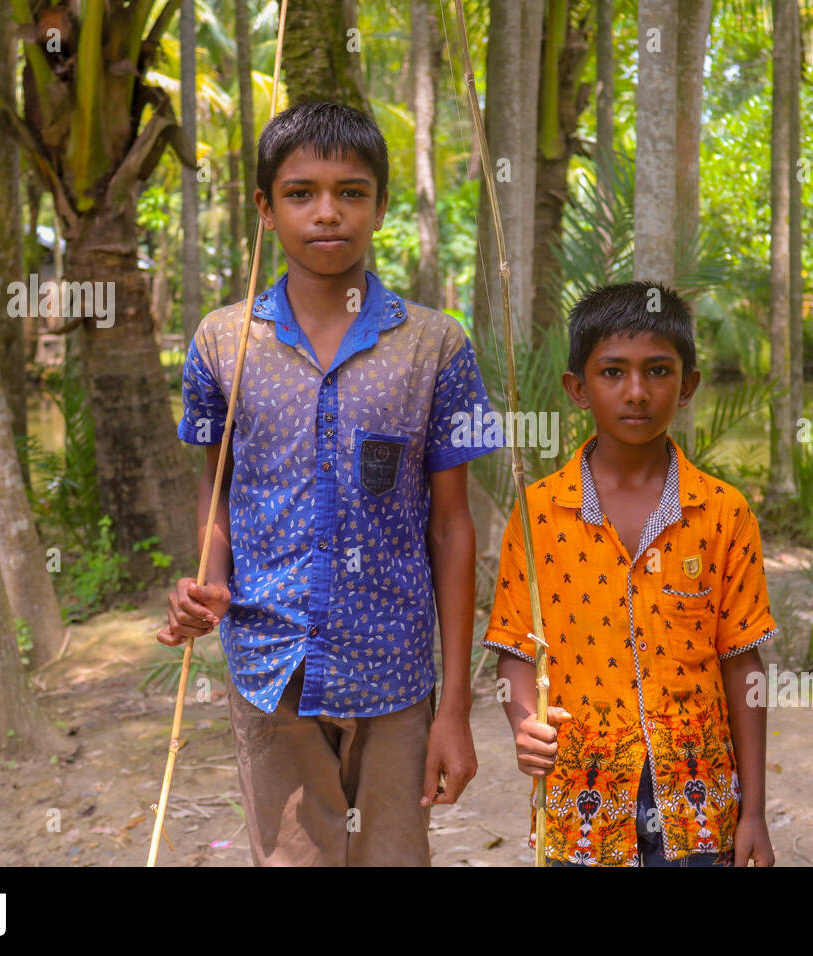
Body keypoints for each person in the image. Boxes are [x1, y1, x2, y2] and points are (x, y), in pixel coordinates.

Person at [156, 100, 497, 866]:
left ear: (380, 205)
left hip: (396, 674)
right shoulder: (221, 341)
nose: (327, 213)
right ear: (265, 210)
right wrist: (204, 587)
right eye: (301, 193)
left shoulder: (435, 345)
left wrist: (456, 707)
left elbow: (451, 525)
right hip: (268, 665)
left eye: (351, 192)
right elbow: (218, 498)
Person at [483, 280, 779, 866]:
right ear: (578, 388)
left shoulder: (723, 512)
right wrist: (524, 724)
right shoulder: (538, 513)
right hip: (580, 801)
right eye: (613, 372)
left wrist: (754, 814)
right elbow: (517, 651)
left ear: (688, 385)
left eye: (659, 371)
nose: (637, 392)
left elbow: (743, 663)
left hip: (701, 804)